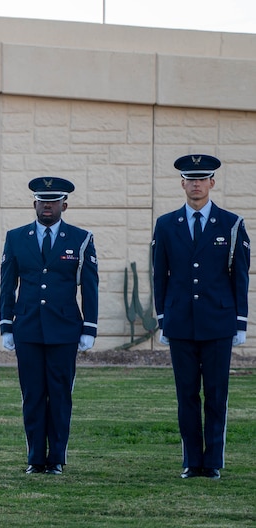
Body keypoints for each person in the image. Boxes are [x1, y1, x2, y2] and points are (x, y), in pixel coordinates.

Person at [152, 154, 250, 480]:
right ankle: (192, 461)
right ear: (182, 183)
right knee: (187, 395)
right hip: (180, 322)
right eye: (189, 179)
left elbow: (240, 276)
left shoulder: (231, 224)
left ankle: (214, 463)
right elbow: (159, 276)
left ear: (212, 182)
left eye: (201, 178)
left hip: (218, 322)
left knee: (217, 394)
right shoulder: (166, 224)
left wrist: (240, 322)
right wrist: (163, 318)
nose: (196, 184)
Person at [0, 177, 98, 476]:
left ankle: (56, 458)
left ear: (64, 205)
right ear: (34, 204)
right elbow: (7, 284)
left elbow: (90, 286)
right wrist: (6, 324)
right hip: (27, 327)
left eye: (53, 202)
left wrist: (89, 327)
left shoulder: (80, 238)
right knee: (32, 395)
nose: (47, 207)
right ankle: (34, 457)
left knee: (60, 394)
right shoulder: (16, 237)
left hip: (64, 329)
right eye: (42, 201)